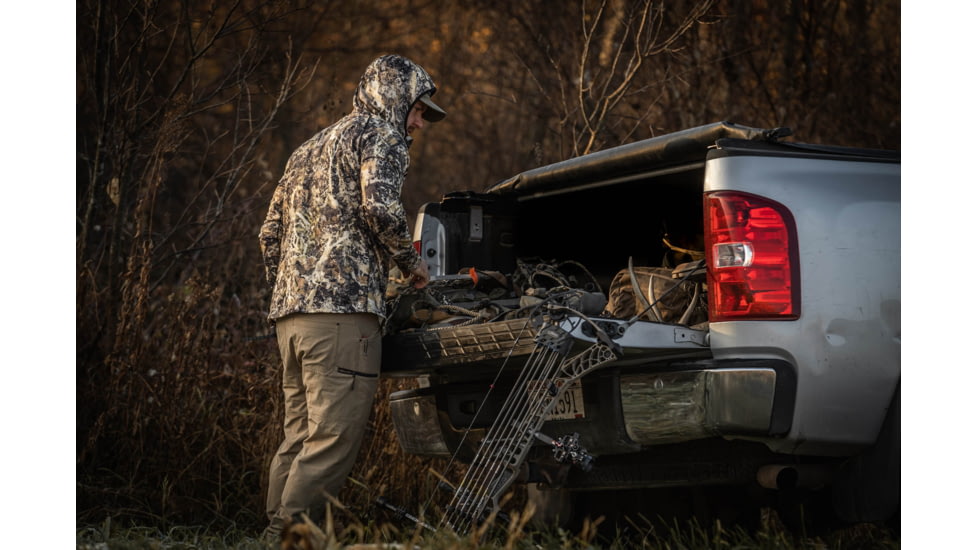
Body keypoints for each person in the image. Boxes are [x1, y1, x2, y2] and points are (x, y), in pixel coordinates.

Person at [258, 54, 445, 538]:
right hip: (343, 319)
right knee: (332, 438)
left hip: (291, 320)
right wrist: (412, 265)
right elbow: (381, 209)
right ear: (394, 99)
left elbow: (268, 234)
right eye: (418, 110)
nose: (420, 123)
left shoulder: (308, 147)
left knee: (298, 433)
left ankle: (273, 532)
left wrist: (290, 289)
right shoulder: (379, 137)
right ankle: (292, 540)